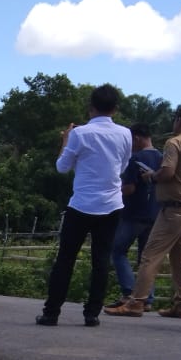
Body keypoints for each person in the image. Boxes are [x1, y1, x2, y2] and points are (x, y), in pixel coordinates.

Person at [105, 106, 181, 319]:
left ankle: (136, 302)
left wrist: (152, 176)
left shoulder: (175, 142)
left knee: (150, 255)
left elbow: (168, 172)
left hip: (174, 208)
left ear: (179, 120)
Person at [36, 84, 132, 327]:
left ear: (91, 108)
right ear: (115, 109)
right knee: (101, 261)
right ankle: (92, 314)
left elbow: (62, 167)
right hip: (111, 204)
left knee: (65, 259)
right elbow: (122, 166)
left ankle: (52, 312)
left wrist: (66, 140)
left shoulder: (80, 134)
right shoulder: (125, 134)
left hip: (81, 204)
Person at [104, 123, 161, 311]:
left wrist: (113, 189)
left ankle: (129, 293)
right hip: (155, 213)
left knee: (118, 251)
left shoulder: (135, 158)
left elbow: (129, 188)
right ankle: (146, 298)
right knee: (146, 257)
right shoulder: (162, 158)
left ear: (136, 138)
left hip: (134, 213)